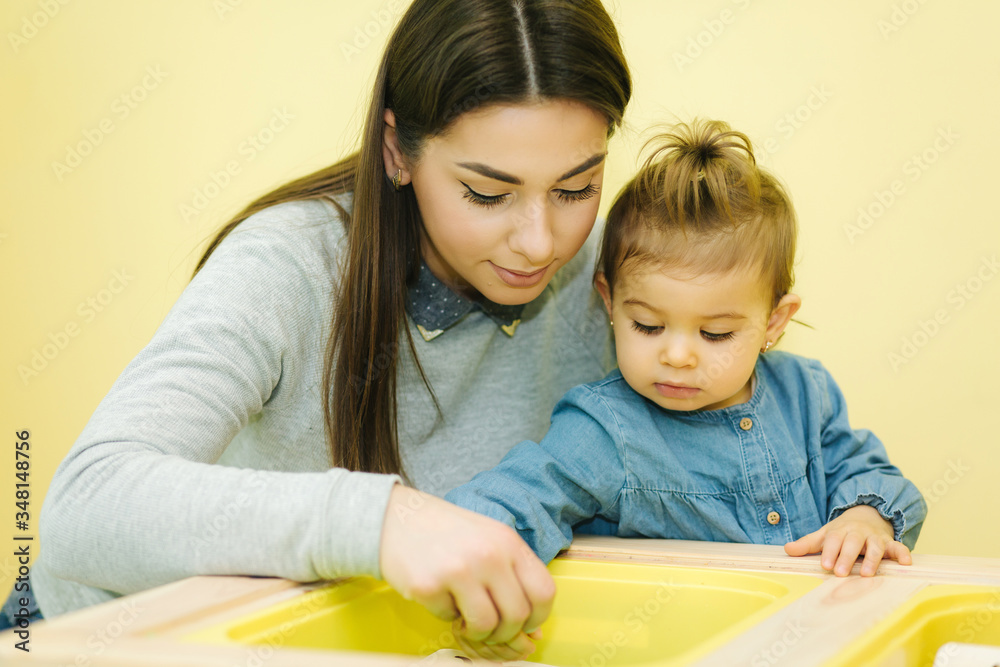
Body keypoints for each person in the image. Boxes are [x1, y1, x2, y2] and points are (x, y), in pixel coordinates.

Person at [19, 0, 631, 661]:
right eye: (486, 194)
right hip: (85, 641)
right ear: (397, 150)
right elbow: (86, 502)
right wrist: (384, 519)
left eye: (577, 188)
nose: (540, 242)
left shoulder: (610, 273)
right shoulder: (289, 261)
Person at [445, 119, 928, 593]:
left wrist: (866, 518)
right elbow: (520, 497)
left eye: (715, 333)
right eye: (648, 326)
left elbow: (868, 473)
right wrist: (434, 542)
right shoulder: (606, 428)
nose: (676, 355)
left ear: (774, 324)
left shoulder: (807, 393)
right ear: (609, 302)